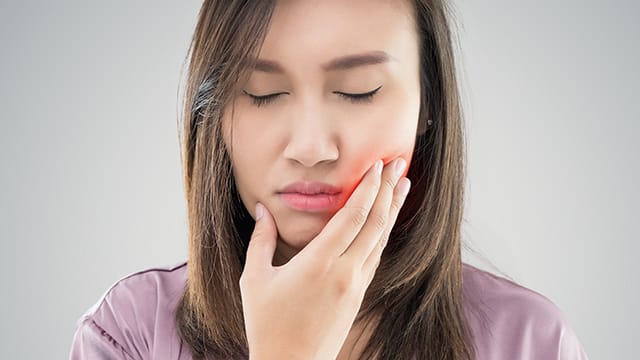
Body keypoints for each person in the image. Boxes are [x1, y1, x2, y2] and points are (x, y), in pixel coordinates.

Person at [69, 0, 589, 359]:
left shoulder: (532, 342)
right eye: (262, 92)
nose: (311, 148)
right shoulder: (129, 335)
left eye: (359, 91)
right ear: (213, 112)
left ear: (427, 104)